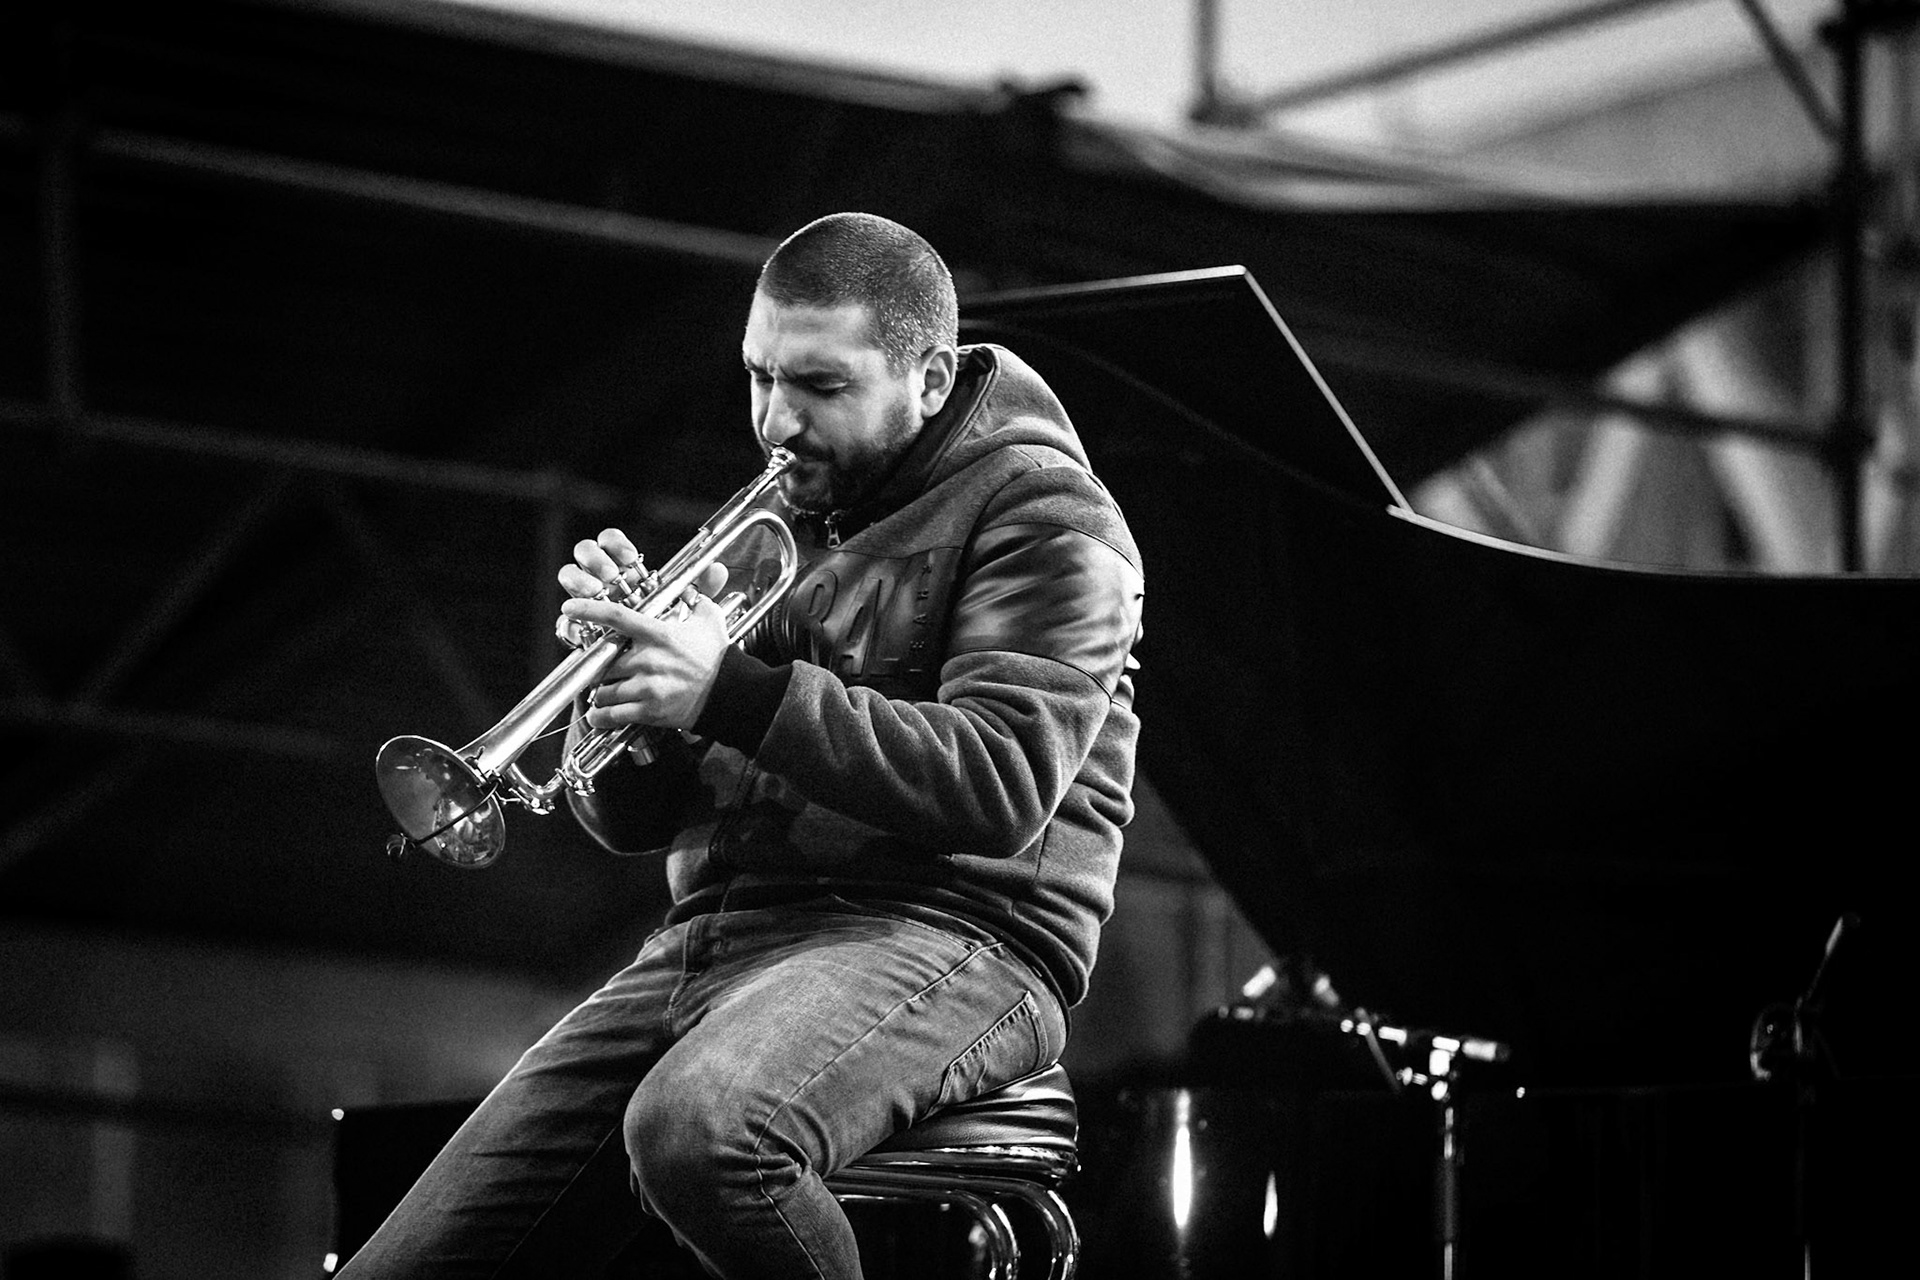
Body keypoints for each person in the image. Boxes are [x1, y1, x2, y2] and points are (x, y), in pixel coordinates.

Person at [342, 212, 1144, 1279]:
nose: (776, 420)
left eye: (818, 385)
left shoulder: (1049, 515)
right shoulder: (798, 514)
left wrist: (725, 687)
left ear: (932, 376)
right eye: (759, 377)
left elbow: (999, 781)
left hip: (955, 932)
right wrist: (621, 696)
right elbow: (628, 821)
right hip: (721, 935)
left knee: (704, 1130)